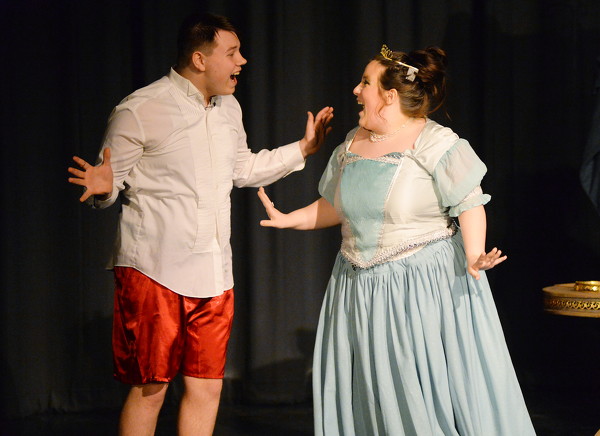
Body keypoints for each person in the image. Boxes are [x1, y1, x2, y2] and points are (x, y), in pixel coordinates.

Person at [67, 12, 333, 436]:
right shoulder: (140, 110)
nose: (242, 61)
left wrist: (302, 149)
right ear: (199, 59)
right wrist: (104, 187)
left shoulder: (229, 108)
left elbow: (243, 169)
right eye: (232, 53)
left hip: (214, 273)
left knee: (208, 389)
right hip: (154, 270)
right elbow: (109, 182)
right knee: (150, 389)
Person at [258, 44, 535, 435]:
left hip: (420, 287)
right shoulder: (352, 143)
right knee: (373, 391)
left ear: (389, 96)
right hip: (357, 287)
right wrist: (290, 219)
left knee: (415, 386)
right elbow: (338, 204)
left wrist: (474, 253)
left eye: (365, 83)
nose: (356, 90)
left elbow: (470, 202)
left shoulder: (435, 142)